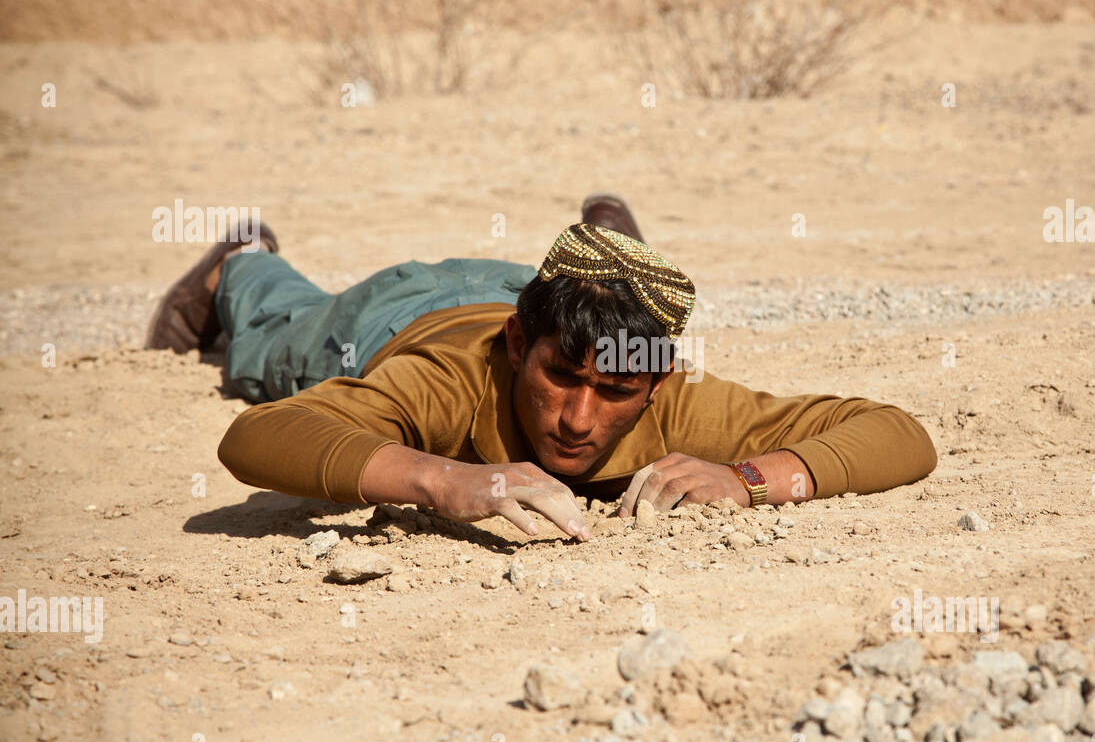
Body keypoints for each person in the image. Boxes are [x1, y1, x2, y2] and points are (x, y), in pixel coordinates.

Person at [145, 193, 938, 542]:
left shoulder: (673, 397)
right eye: (561, 380)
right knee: (273, 336)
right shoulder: (449, 381)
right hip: (401, 315)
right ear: (520, 351)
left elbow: (899, 434)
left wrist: (754, 478)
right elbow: (260, 435)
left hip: (538, 297)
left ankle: (611, 245)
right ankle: (241, 261)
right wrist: (444, 479)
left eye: (616, 391)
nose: (579, 418)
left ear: (657, 381)